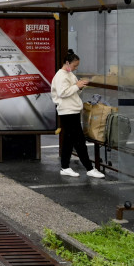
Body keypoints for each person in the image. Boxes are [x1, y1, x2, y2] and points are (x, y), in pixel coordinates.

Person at [52, 49, 105, 178]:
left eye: (77, 66)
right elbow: (62, 93)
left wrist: (79, 86)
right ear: (67, 63)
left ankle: (65, 166)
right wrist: (77, 85)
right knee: (79, 140)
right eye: (74, 65)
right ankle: (89, 168)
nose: (75, 68)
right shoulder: (61, 75)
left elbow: (72, 91)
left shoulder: (69, 74)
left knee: (69, 140)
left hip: (71, 110)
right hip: (67, 110)